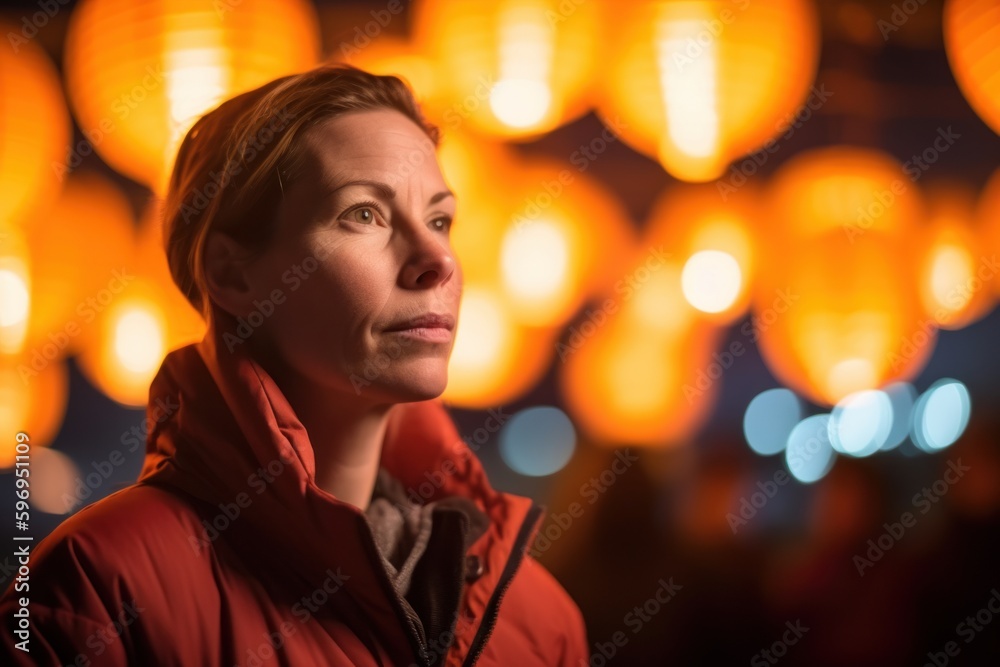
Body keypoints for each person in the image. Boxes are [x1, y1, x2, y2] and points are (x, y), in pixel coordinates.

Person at [0, 64, 588, 666]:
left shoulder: (538, 621)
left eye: (440, 219)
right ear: (231, 273)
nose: (437, 258)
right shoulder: (98, 589)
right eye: (364, 213)